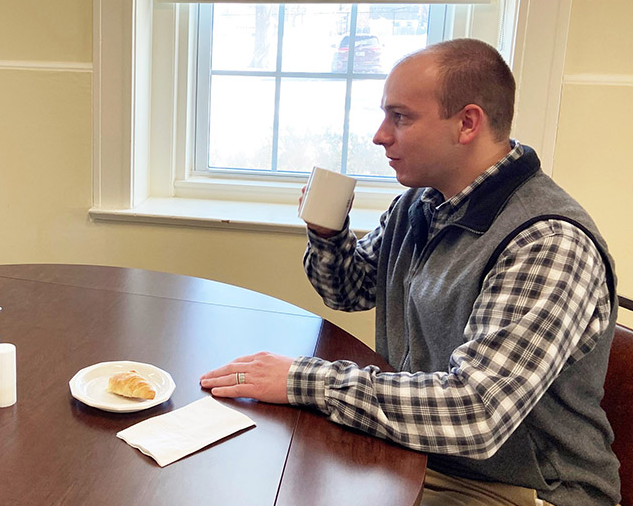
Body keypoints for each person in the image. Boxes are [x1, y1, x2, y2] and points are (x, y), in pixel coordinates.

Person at [200, 39, 620, 505]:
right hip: (423, 452)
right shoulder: (420, 204)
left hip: (524, 490)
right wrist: (327, 233)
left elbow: (473, 414)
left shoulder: (547, 243)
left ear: (467, 123)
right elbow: (351, 290)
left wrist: (303, 380)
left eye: (400, 117)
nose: (380, 136)